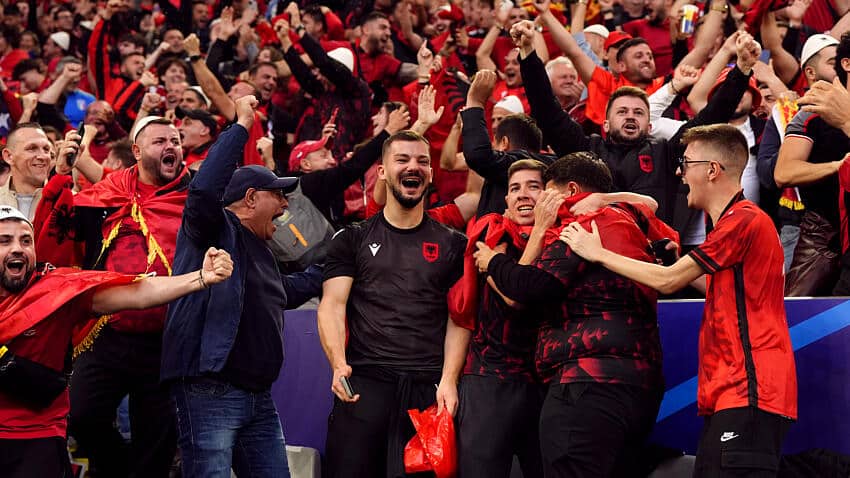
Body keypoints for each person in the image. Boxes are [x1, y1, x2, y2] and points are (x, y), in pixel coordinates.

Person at [562, 124, 797, 477]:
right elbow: (708, 283)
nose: (678, 173)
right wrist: (671, 260)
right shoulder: (738, 224)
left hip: (749, 389)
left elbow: (670, 282)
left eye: (686, 164)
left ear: (712, 170)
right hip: (736, 391)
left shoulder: (742, 220)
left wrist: (597, 253)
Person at [475, 152, 675, 478]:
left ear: (568, 192)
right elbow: (649, 204)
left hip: (586, 384)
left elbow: (530, 288)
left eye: (544, 190)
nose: (537, 199)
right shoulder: (632, 220)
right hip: (641, 384)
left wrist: (492, 263)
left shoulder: (582, 226)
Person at [0, 205, 233, 478]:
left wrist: (201, 278)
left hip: (37, 440)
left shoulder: (57, 291)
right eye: (5, 240)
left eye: (26, 240)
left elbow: (138, 293)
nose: (18, 248)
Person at [161, 96, 322, 478]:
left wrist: (336, 265)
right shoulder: (213, 229)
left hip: (258, 396)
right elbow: (202, 193)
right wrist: (241, 125)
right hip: (210, 388)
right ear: (250, 198)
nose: (285, 206)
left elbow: (284, 290)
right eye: (278, 195)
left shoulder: (261, 248)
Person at [318, 130, 468, 478]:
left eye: (422, 161)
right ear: (382, 171)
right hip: (364, 385)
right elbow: (331, 305)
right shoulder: (351, 238)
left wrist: (448, 381)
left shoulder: (453, 245)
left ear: (431, 173)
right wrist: (338, 363)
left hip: (426, 390)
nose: (413, 167)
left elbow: (459, 319)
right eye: (402, 159)